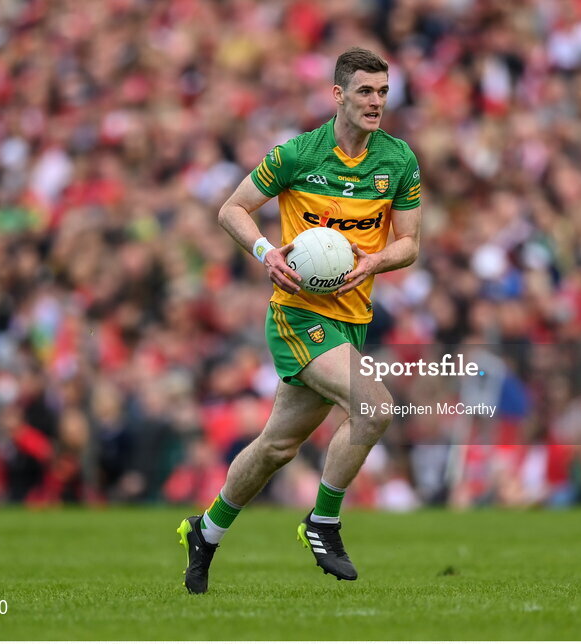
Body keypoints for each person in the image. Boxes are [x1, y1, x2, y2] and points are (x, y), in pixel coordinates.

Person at [177, 47, 421, 592]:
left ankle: (206, 531)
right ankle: (323, 522)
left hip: (351, 318)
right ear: (338, 95)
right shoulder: (297, 153)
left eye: (382, 91)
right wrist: (267, 253)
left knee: (276, 448)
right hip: (297, 314)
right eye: (364, 91)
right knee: (375, 406)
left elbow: (409, 244)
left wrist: (378, 259)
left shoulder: (399, 160)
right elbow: (231, 209)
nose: (376, 101)